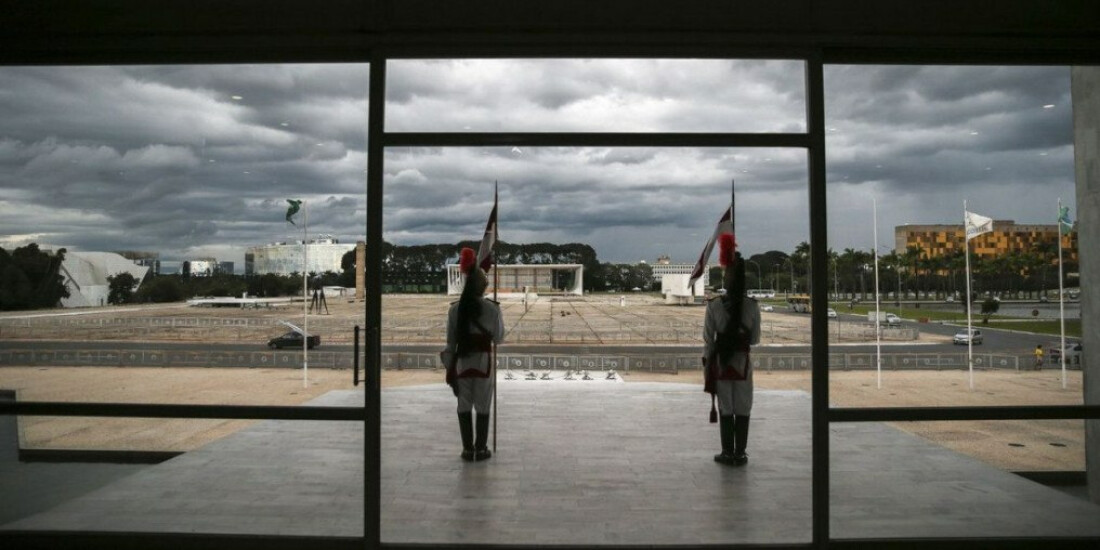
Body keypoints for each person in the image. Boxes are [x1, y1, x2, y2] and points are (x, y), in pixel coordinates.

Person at [703, 234, 761, 467]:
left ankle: (728, 452)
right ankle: (741, 453)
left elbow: (708, 339)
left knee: (726, 408)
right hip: (743, 364)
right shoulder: (752, 306)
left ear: (727, 279)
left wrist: (708, 363)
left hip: (722, 363)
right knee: (743, 407)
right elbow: (754, 339)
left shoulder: (715, 305)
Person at [443, 247, 504, 462]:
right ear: (483, 286)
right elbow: (498, 338)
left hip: (462, 363)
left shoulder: (454, 310)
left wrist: (449, 369)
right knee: (483, 406)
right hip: (484, 363)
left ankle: (468, 449)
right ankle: (481, 448)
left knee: (464, 405)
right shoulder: (493, 309)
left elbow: (450, 344)